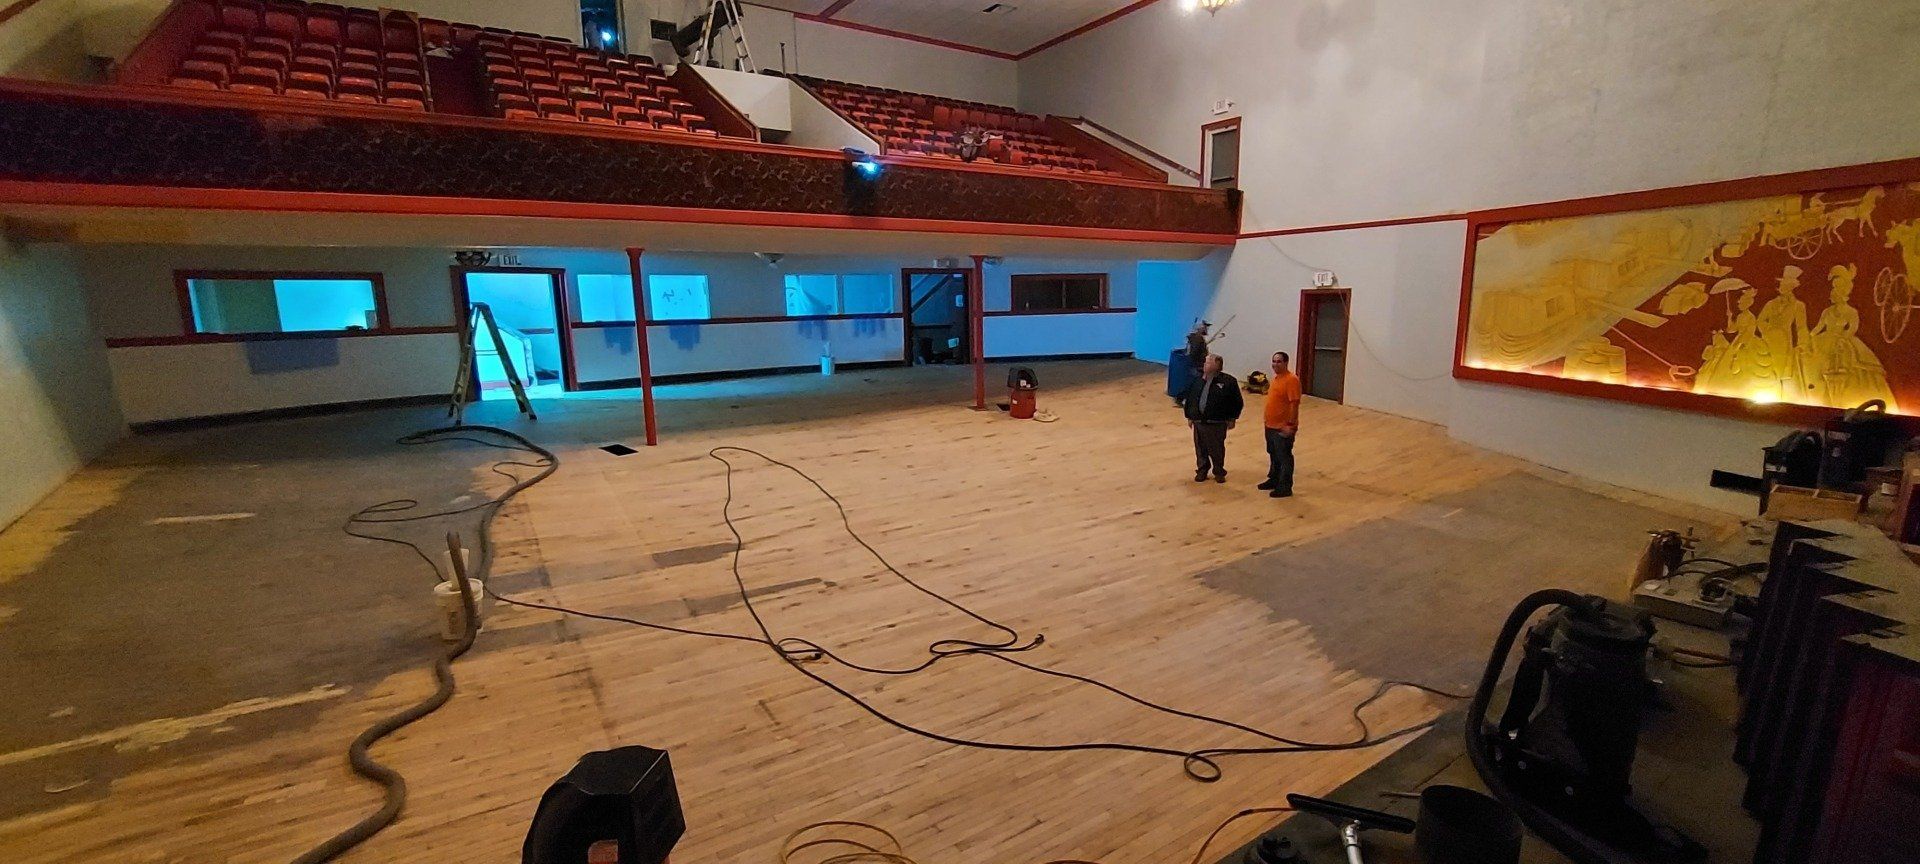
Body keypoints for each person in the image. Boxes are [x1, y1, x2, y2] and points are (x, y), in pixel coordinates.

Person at [1180, 354, 1243, 483]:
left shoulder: (1228, 382)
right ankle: (1202, 470)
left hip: (1216, 422)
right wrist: (1189, 416)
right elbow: (1191, 399)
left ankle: (1219, 471)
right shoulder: (1197, 380)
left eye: (1208, 362)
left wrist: (1232, 418)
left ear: (1217, 366)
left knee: (1216, 449)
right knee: (1200, 448)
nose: (1204, 364)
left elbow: (1236, 401)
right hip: (1198, 422)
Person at [1261, 351, 1302, 498]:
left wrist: (1290, 425)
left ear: (1286, 363)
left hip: (1282, 427)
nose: (1275, 364)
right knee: (1273, 454)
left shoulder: (1292, 380)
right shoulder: (1276, 379)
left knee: (1284, 457)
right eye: (1274, 361)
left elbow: (1294, 404)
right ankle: (1274, 480)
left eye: (1278, 362)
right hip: (1270, 425)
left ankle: (1285, 487)